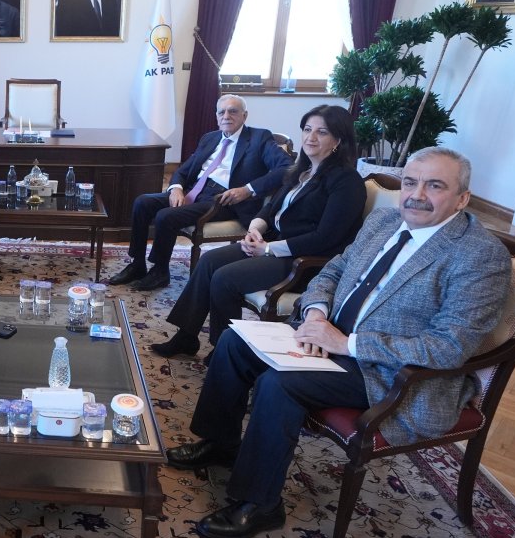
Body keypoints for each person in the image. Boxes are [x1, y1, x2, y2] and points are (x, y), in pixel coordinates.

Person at [166, 147, 511, 538]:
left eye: (435, 186)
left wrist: (348, 343)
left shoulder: (479, 256)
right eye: (411, 182)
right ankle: (221, 444)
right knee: (233, 342)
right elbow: (333, 271)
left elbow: (449, 347)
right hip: (328, 336)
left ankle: (260, 504)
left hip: (386, 371)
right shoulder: (384, 220)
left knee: (279, 383)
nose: (417, 194)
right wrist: (315, 313)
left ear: (462, 198)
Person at [152, 105, 367, 358]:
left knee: (225, 278)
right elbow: (270, 210)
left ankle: (223, 348)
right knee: (210, 261)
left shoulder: (347, 181)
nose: (311, 137)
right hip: (273, 246)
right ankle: (186, 337)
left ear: (338, 140)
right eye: (308, 130)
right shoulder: (302, 171)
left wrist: (268, 248)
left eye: (322, 132)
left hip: (304, 261)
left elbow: (325, 238)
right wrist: (255, 230)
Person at [108, 94, 292, 291]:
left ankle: (160, 271)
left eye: (233, 111)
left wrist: (248, 189)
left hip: (225, 199)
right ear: (216, 116)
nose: (226, 116)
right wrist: (176, 188)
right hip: (195, 191)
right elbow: (184, 170)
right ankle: (137, 264)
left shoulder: (259, 138)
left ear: (244, 116)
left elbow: (288, 167)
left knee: (166, 216)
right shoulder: (210, 138)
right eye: (222, 112)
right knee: (143, 202)